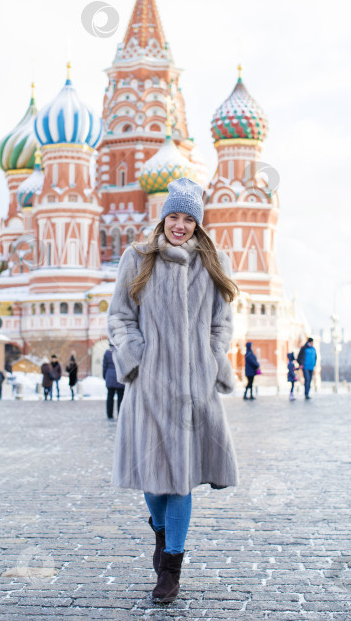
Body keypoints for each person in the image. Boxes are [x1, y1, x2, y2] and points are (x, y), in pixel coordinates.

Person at [108, 177, 239, 604]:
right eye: (174, 216)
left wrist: (211, 356)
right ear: (163, 217)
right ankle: (161, 533)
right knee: (153, 481)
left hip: (193, 391)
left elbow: (223, 321)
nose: (180, 226)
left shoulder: (212, 262)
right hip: (148, 387)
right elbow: (120, 317)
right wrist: (136, 356)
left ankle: (171, 568)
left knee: (180, 482)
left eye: (189, 219)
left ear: (198, 225)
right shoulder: (137, 258)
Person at [102, 347, 125, 419]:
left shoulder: (107, 352)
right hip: (120, 376)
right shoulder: (122, 351)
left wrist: (105, 376)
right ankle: (120, 414)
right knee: (120, 397)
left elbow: (104, 366)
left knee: (110, 396)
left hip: (110, 376)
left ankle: (109, 414)